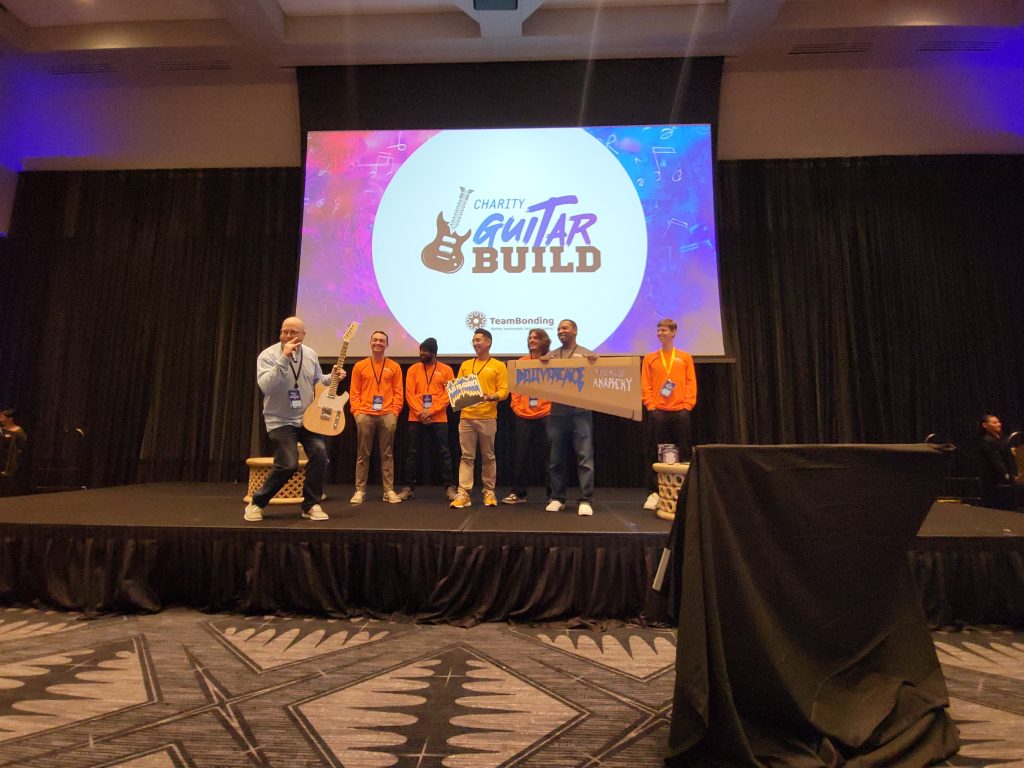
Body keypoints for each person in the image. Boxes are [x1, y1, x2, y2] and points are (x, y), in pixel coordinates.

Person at [244, 316, 343, 522]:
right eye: (285, 331)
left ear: (303, 335)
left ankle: (311, 505)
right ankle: (257, 503)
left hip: (307, 419)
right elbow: (267, 386)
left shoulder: (311, 354)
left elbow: (318, 381)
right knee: (288, 464)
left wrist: (332, 377)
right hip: (279, 420)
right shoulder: (268, 356)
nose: (288, 336)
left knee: (320, 455)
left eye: (293, 332)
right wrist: (283, 359)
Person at [542, 319, 598, 516]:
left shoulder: (587, 354)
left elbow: (594, 381)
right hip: (557, 413)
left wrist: (594, 365)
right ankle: (557, 498)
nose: (560, 331)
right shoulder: (551, 355)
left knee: (584, 457)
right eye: (558, 329)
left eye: (565, 328)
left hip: (580, 412)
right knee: (556, 458)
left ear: (575, 330)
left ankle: (586, 500)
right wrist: (542, 365)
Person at [641, 319, 698, 510]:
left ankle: (684, 490)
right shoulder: (650, 358)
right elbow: (645, 384)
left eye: (664, 330)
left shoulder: (685, 357)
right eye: (658, 330)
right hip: (658, 411)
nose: (660, 333)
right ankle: (654, 493)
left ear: (674, 332)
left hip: (680, 411)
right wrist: (650, 405)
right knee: (654, 451)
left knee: (684, 450)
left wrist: (687, 405)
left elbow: (691, 382)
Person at [450, 329, 508, 509]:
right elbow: (457, 389)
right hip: (466, 417)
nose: (475, 343)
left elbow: (505, 390)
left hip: (487, 416)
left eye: (478, 340)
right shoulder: (466, 364)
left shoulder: (498, 365)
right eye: (473, 341)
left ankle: (489, 492)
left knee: (488, 456)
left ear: (488, 342)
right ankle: (463, 494)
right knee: (466, 456)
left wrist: (493, 396)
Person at [349, 330, 404, 504]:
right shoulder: (360, 366)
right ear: (370, 343)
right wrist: (357, 413)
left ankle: (388, 490)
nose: (378, 343)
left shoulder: (394, 366)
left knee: (387, 453)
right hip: (365, 414)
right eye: (375, 340)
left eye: (382, 340)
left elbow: (398, 392)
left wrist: (394, 412)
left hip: (387, 414)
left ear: (387, 345)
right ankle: (360, 491)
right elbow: (354, 392)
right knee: (362, 453)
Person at [399, 337, 457, 501]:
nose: (422, 353)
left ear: (434, 352)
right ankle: (408, 488)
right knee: (412, 453)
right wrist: (420, 412)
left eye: (426, 351)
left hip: (439, 418)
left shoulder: (446, 370)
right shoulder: (412, 369)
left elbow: (448, 395)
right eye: (421, 350)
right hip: (416, 417)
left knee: (444, 453)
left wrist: (431, 410)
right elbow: (409, 394)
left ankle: (450, 488)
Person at [502, 328, 552, 504]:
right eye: (530, 337)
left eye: (536, 338)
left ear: (543, 341)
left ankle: (553, 495)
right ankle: (519, 493)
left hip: (546, 414)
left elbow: (558, 387)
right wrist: (515, 406)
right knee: (520, 456)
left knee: (550, 456)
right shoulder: (521, 362)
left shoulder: (551, 361)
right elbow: (514, 388)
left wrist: (550, 407)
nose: (532, 340)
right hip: (523, 415)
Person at [979, 414, 1019, 511]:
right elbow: (995, 460)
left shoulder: (1000, 438)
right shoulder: (987, 440)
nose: (999, 424)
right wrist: (1007, 475)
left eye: (999, 422)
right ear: (985, 425)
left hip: (1006, 475)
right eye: (995, 422)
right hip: (995, 479)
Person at [0, 408, 28, 495]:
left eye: (2, 417)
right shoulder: (1, 430)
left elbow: (23, 447)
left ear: (10, 419)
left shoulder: (19, 432)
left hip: (10, 461)